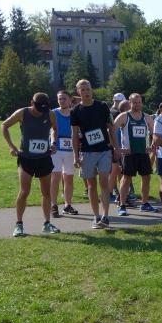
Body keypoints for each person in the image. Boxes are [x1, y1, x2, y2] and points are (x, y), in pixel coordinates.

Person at [0, 92, 61, 236]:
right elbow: (4, 125)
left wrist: (53, 143)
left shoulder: (50, 114)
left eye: (44, 108)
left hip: (44, 158)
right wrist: (11, 146)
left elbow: (55, 129)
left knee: (46, 193)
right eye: (39, 108)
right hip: (26, 159)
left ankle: (47, 224)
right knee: (24, 191)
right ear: (31, 103)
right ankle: (19, 225)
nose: (41, 111)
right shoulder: (22, 113)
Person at [71, 79, 120, 230]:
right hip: (87, 152)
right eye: (83, 90)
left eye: (88, 89)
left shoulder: (102, 106)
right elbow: (74, 135)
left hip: (104, 150)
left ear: (91, 90)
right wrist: (75, 155)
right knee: (91, 185)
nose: (86, 92)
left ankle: (105, 216)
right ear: (78, 92)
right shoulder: (75, 111)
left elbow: (111, 128)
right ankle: (96, 216)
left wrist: (116, 148)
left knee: (104, 182)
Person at [114, 93, 156, 215]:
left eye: (139, 102)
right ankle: (122, 205)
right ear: (130, 103)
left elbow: (154, 133)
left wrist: (152, 145)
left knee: (146, 177)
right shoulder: (124, 116)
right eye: (134, 103)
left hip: (143, 153)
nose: (137, 105)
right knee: (126, 179)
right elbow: (111, 130)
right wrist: (117, 148)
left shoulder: (146, 117)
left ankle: (144, 203)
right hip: (129, 154)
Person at [50, 90, 78, 217]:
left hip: (70, 150)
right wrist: (52, 143)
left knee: (68, 178)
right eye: (59, 99)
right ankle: (53, 205)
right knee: (55, 177)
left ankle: (67, 205)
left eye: (64, 98)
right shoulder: (53, 113)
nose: (61, 101)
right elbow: (50, 130)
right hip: (56, 149)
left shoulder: (75, 114)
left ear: (70, 100)